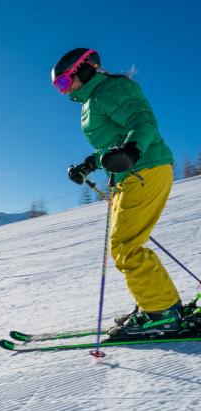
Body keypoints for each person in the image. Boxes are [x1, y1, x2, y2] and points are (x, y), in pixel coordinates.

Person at [51, 48, 182, 338]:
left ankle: (161, 313)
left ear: (82, 70)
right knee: (124, 244)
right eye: (57, 86)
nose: (62, 91)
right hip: (130, 175)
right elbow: (110, 146)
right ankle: (159, 305)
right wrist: (88, 165)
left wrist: (132, 152)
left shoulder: (110, 89)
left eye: (63, 82)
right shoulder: (90, 103)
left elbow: (142, 121)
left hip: (146, 169)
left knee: (125, 246)